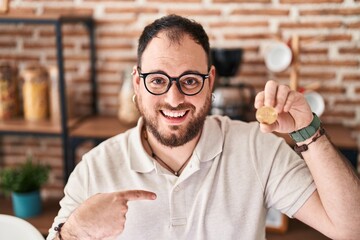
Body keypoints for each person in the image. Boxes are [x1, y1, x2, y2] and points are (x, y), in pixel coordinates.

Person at [48, 15, 360, 240]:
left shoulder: (258, 149)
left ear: (210, 81)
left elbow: (350, 229)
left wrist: (308, 130)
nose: (173, 98)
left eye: (189, 81)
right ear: (136, 82)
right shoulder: (95, 167)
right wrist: (76, 231)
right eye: (157, 80)